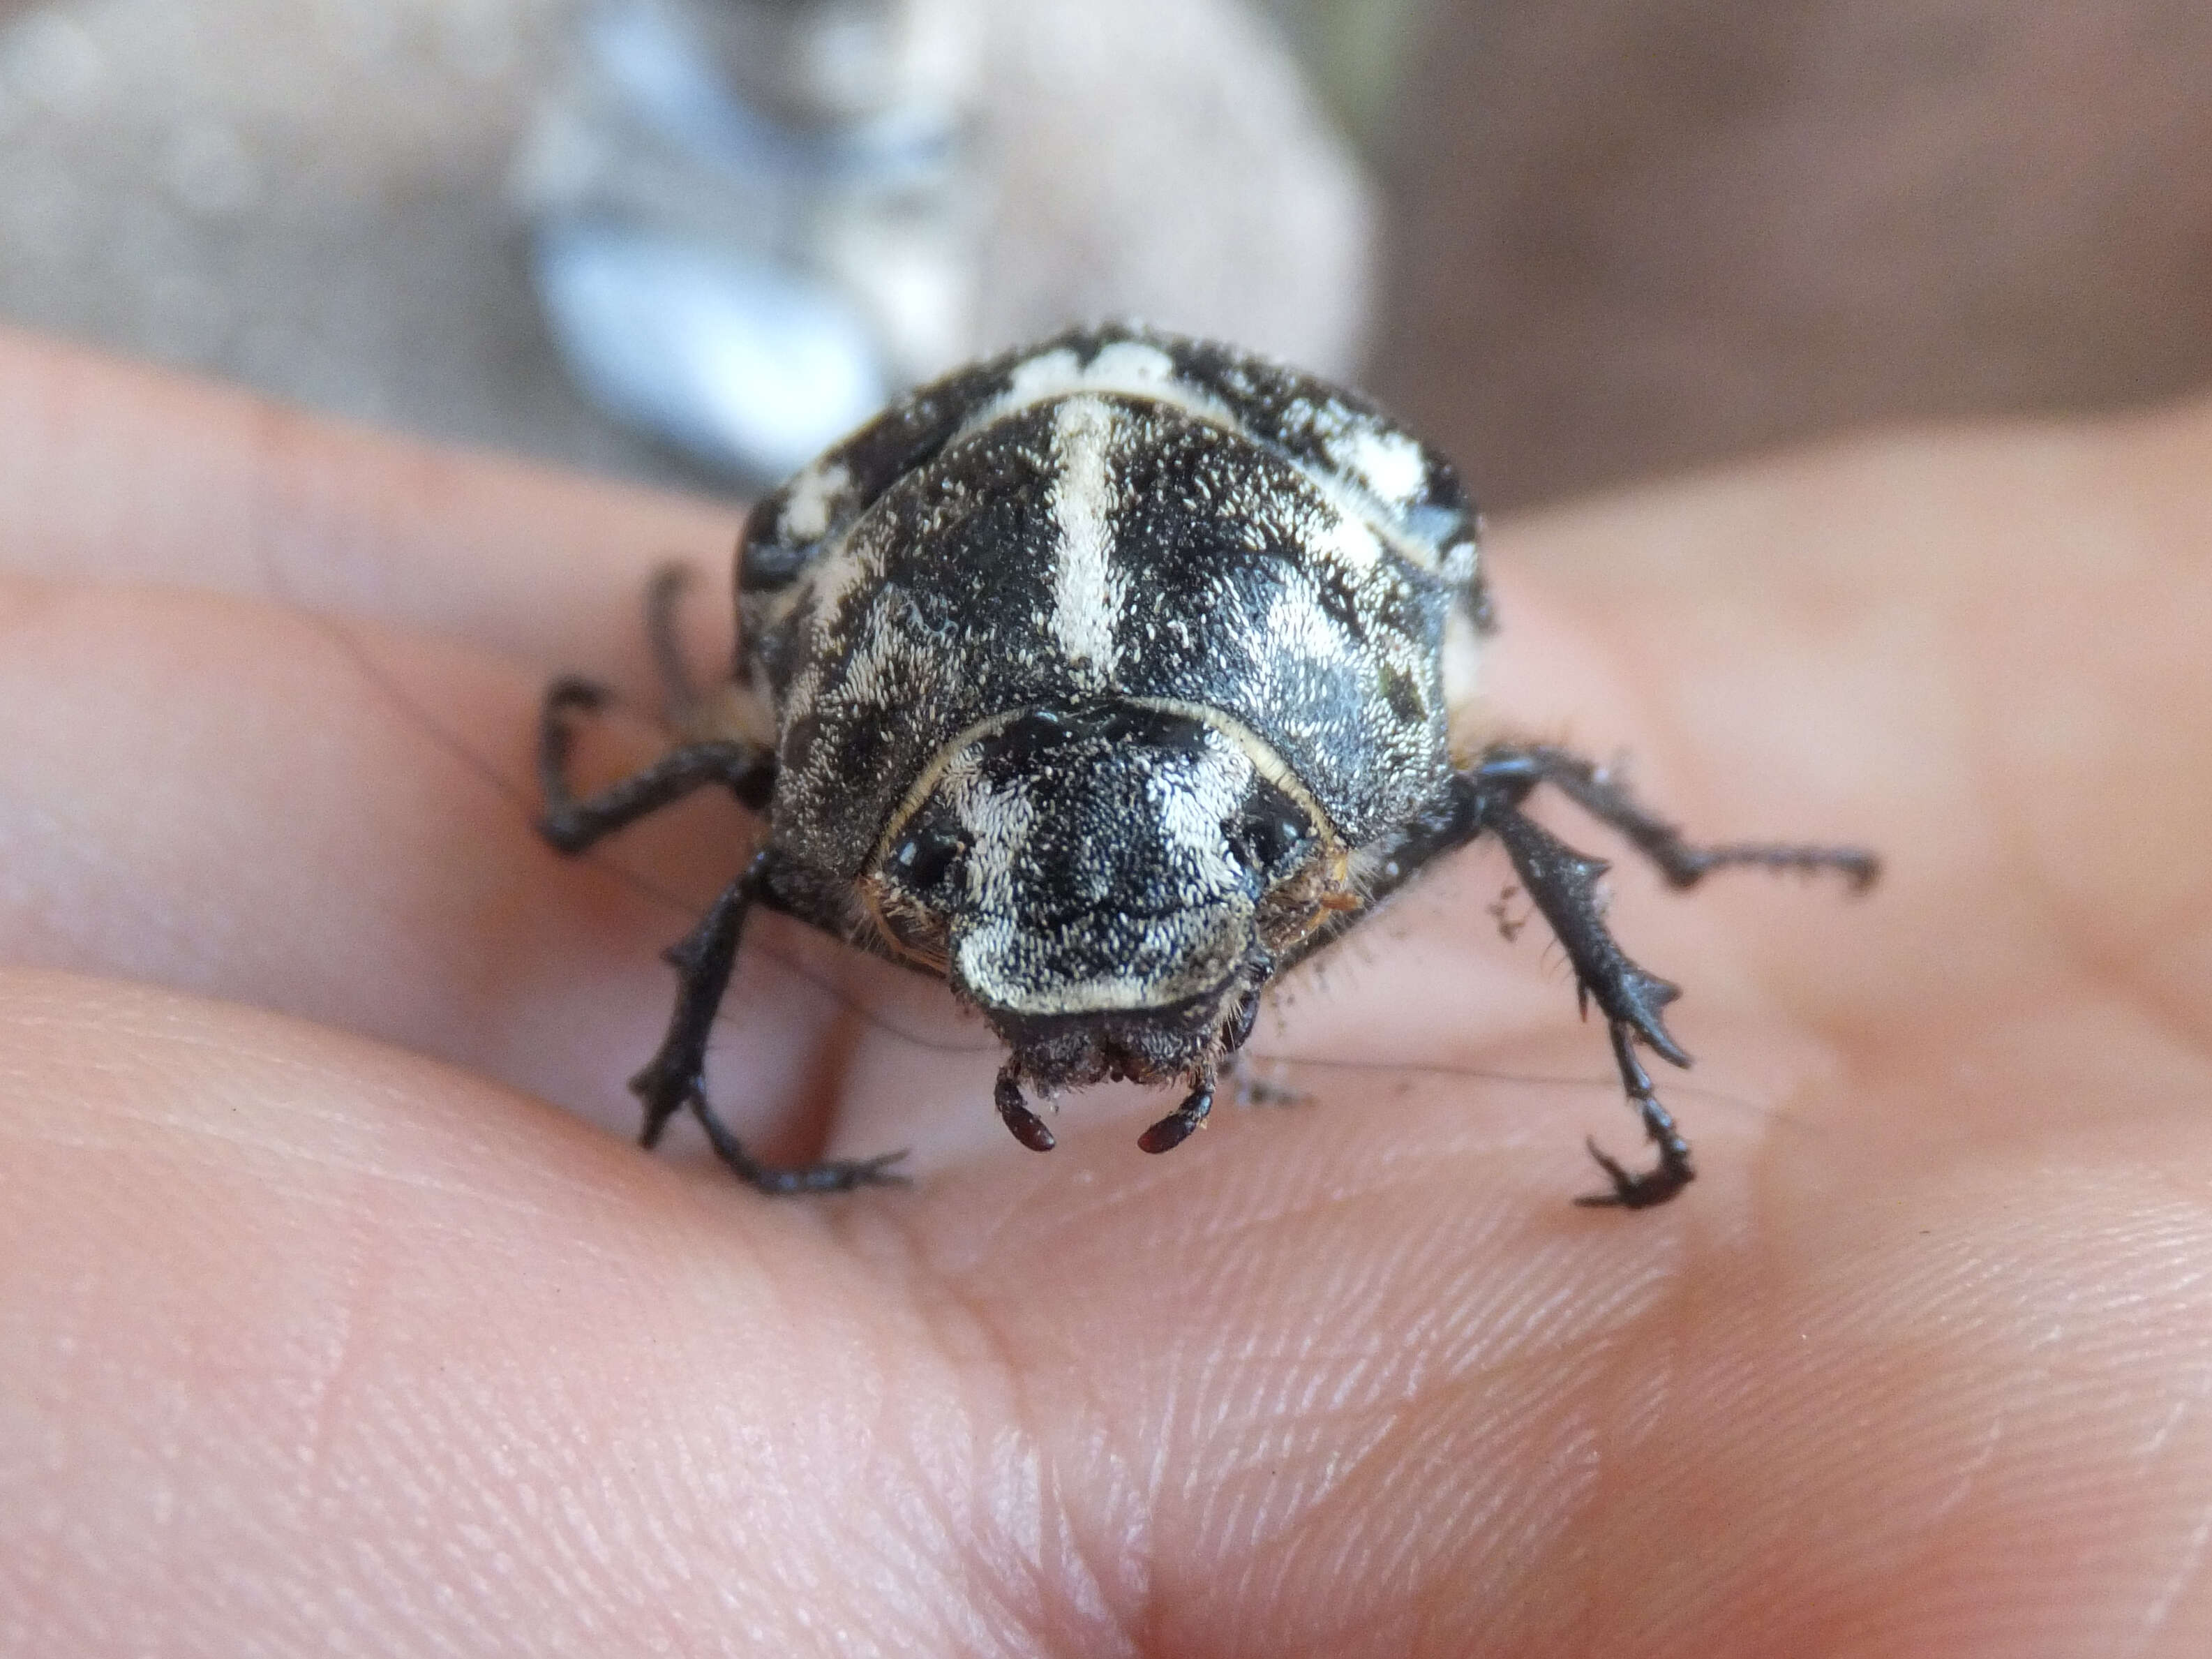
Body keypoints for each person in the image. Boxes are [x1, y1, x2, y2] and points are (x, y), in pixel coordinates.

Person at [3, 320, 2209, 1652]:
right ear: (924, 857)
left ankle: (1668, 951)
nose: (1096, 1021)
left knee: (1495, 773)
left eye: (1200, 950)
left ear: (1296, 853)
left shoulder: (1329, 773)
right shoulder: (850, 803)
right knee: (764, 811)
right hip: (955, 552)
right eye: (988, 931)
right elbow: (757, 829)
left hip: (1204, 537)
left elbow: (1498, 776)